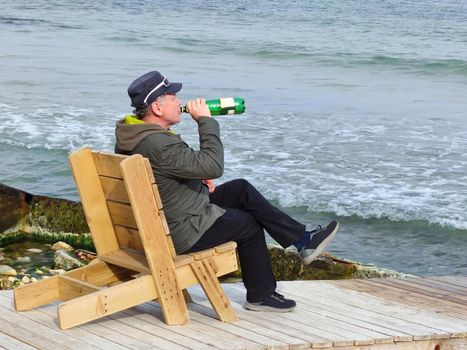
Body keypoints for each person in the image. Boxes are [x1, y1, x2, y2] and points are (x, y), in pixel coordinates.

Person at [115, 70, 339, 312]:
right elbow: (214, 165)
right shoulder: (159, 143)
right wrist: (205, 121)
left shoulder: (134, 135)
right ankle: (260, 296)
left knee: (240, 189)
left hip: (161, 219)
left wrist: (195, 180)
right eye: (172, 97)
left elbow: (162, 175)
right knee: (248, 224)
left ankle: (303, 240)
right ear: (157, 108)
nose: (179, 102)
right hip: (178, 231)